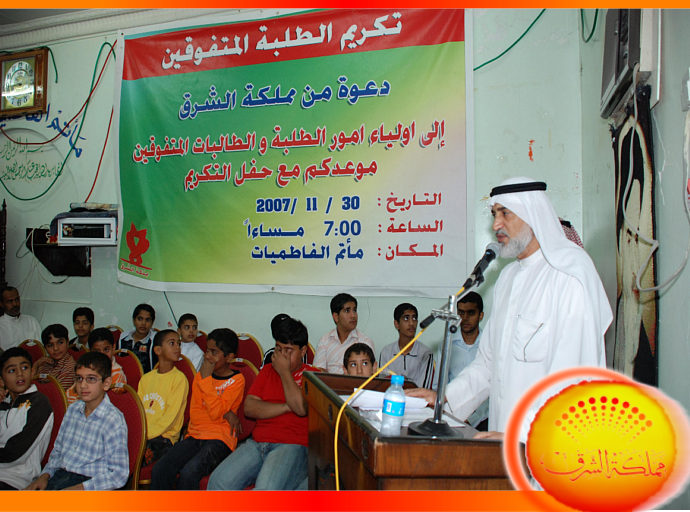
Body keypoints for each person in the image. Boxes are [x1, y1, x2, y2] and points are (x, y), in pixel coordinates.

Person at [407, 177, 612, 441]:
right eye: (494, 214)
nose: (496, 225)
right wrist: (443, 398)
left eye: (505, 213)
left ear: (533, 215)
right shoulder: (508, 278)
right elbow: (487, 364)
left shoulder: (569, 274)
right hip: (502, 442)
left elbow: (574, 379)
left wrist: (521, 435)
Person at [208, 315, 319, 490]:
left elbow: (300, 408)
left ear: (303, 351)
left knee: (265, 491)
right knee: (217, 482)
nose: (282, 355)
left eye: (288, 350)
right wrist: (286, 406)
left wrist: (284, 372)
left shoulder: (314, 375)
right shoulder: (267, 371)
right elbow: (250, 408)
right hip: (257, 443)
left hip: (291, 445)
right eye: (278, 348)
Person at [151, 328, 245, 489]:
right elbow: (198, 414)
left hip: (220, 439)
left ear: (229, 357)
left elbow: (214, 413)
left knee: (189, 473)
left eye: (214, 352)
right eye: (207, 350)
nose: (207, 356)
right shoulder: (200, 377)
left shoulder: (236, 380)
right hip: (195, 435)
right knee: (161, 468)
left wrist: (207, 382)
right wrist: (225, 411)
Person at [25, 352, 129, 490]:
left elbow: (119, 475)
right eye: (79, 378)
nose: (83, 385)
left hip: (90, 483)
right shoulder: (73, 410)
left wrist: (81, 488)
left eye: (91, 379)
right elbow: (58, 451)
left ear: (106, 383)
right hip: (61, 476)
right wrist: (45, 475)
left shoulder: (113, 420)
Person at [0, 347, 54, 490]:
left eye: (24, 367)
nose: (20, 374)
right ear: (2, 379)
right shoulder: (4, 403)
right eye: (12, 370)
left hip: (17, 478)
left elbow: (16, 454)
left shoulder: (39, 402)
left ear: (32, 371)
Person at [434, 292, 489, 429]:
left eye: (471, 313)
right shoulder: (447, 344)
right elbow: (439, 386)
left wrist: (472, 419)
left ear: (481, 315)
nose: (465, 318)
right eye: (461, 313)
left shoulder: (489, 345)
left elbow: (492, 391)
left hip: (484, 419)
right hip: (451, 415)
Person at [137, 329, 189, 466]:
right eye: (172, 343)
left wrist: (145, 435)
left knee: (136, 457)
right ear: (158, 350)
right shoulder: (146, 379)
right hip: (143, 434)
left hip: (164, 437)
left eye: (179, 343)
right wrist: (139, 434)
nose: (177, 347)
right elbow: (138, 411)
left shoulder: (179, 379)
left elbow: (170, 419)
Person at [314, 293, 374, 373]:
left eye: (354, 310)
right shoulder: (325, 341)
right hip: (328, 381)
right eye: (347, 310)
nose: (353, 315)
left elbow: (368, 373)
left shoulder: (365, 341)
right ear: (336, 317)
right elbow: (317, 373)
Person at [65, 327, 127, 404]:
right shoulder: (85, 370)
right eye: (97, 351)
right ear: (90, 351)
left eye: (106, 349)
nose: (102, 355)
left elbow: (102, 403)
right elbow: (69, 396)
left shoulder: (117, 375)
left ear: (113, 348)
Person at [379, 303, 434, 388]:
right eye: (406, 318)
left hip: (417, 396)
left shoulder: (425, 353)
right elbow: (382, 385)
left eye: (414, 318)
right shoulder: (386, 352)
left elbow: (422, 388)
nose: (411, 323)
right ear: (396, 324)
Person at [32, 324, 76, 392]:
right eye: (50, 345)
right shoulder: (44, 363)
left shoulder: (70, 368)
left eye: (60, 342)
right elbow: (29, 385)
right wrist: (36, 365)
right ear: (45, 348)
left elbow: (56, 394)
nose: (55, 348)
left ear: (67, 342)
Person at [0, 286, 41, 351]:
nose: (15, 304)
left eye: (17, 299)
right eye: (10, 301)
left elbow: (41, 347)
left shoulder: (31, 321)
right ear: (1, 304)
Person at [119, 304, 157, 373]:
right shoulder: (123, 338)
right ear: (134, 320)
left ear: (152, 322)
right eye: (140, 319)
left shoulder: (156, 340)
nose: (143, 323)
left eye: (147, 320)